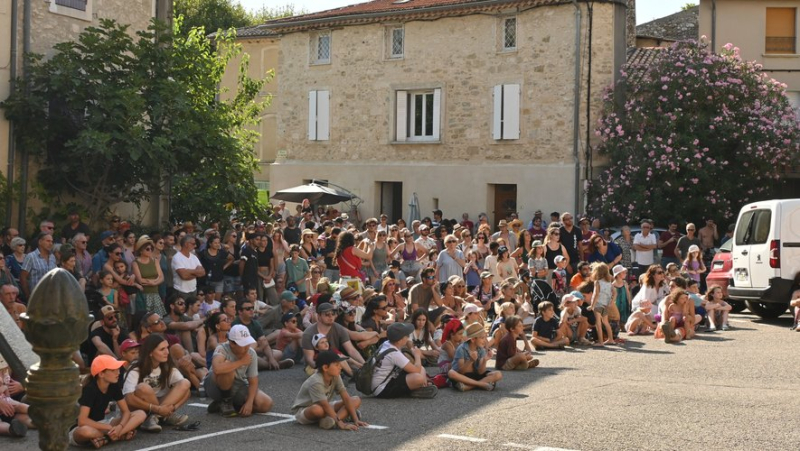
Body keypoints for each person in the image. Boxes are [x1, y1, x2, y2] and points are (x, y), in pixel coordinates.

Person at [69, 355, 145, 448]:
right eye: (113, 370)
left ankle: (109, 437)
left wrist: (120, 426)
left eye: (118, 369)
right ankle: (119, 435)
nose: (118, 372)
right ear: (101, 374)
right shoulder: (89, 389)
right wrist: (108, 428)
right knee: (85, 432)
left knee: (140, 414)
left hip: (103, 423)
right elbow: (82, 421)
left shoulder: (113, 385)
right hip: (82, 427)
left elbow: (126, 412)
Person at [123, 334, 192, 432]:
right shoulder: (136, 368)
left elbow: (186, 391)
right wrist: (157, 409)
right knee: (143, 387)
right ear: (150, 353)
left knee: (185, 383)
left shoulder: (167, 366)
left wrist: (171, 409)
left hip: (159, 405)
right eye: (162, 349)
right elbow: (129, 399)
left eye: (167, 348)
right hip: (139, 409)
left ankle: (158, 417)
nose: (167, 352)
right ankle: (157, 416)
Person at [205, 325, 274, 418]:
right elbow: (217, 369)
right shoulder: (222, 348)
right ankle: (225, 402)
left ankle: (226, 405)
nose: (246, 347)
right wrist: (241, 362)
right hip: (215, 386)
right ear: (232, 343)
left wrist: (249, 403)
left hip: (238, 385)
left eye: (247, 343)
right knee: (228, 368)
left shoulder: (251, 352)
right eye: (243, 344)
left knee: (266, 404)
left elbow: (253, 381)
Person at [291, 350, 367, 430]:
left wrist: (356, 419)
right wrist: (341, 424)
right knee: (317, 410)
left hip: (324, 405)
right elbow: (324, 405)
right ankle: (339, 418)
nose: (340, 367)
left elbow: (346, 398)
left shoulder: (335, 375)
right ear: (325, 367)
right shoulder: (316, 381)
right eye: (337, 365)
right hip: (305, 410)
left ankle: (330, 420)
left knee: (356, 400)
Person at [370, 322, 438, 398]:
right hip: (382, 389)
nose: (408, 337)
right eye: (407, 336)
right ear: (399, 340)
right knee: (419, 378)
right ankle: (416, 389)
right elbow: (416, 370)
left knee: (422, 369)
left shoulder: (387, 343)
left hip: (382, 382)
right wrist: (417, 355)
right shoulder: (394, 353)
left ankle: (418, 388)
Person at [302, 303, 366, 370]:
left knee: (345, 361)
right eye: (327, 314)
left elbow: (351, 350)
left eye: (333, 314)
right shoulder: (308, 333)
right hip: (315, 367)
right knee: (339, 359)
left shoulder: (339, 329)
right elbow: (310, 360)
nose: (331, 317)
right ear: (319, 316)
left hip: (334, 360)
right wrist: (324, 369)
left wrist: (364, 364)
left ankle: (358, 373)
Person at [449, 322, 503, 392]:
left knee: (498, 374)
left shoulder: (481, 349)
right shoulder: (461, 349)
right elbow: (461, 372)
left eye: (485, 337)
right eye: (482, 338)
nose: (485, 341)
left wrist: (484, 360)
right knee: (451, 373)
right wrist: (470, 361)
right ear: (473, 339)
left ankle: (469, 386)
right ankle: (481, 384)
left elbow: (481, 372)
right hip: (463, 377)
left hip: (475, 376)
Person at [20, 232, 56, 299]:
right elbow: (23, 277)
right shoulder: (31, 257)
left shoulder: (52, 257)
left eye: (52, 241)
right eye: (48, 241)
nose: (50, 243)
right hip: (36, 297)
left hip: (51, 297)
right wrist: (28, 295)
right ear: (40, 242)